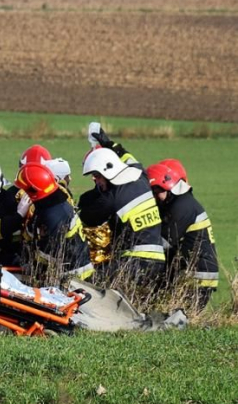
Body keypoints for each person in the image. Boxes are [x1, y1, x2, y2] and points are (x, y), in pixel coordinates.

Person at [79, 127, 165, 288]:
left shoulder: (112, 198)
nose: (95, 181)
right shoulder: (140, 176)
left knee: (88, 284)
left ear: (107, 171)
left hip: (135, 262)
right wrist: (109, 144)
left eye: (97, 176)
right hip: (158, 261)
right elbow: (129, 158)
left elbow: (87, 217)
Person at [146, 162, 218, 309]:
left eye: (156, 191)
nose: (154, 197)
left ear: (169, 186)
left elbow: (164, 242)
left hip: (197, 276)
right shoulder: (180, 203)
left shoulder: (182, 207)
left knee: (179, 319)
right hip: (192, 273)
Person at [14, 162, 94, 284]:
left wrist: (32, 265)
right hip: (63, 272)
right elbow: (32, 233)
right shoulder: (47, 203)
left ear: (34, 190)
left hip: (75, 278)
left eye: (26, 190)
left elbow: (49, 251)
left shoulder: (56, 214)